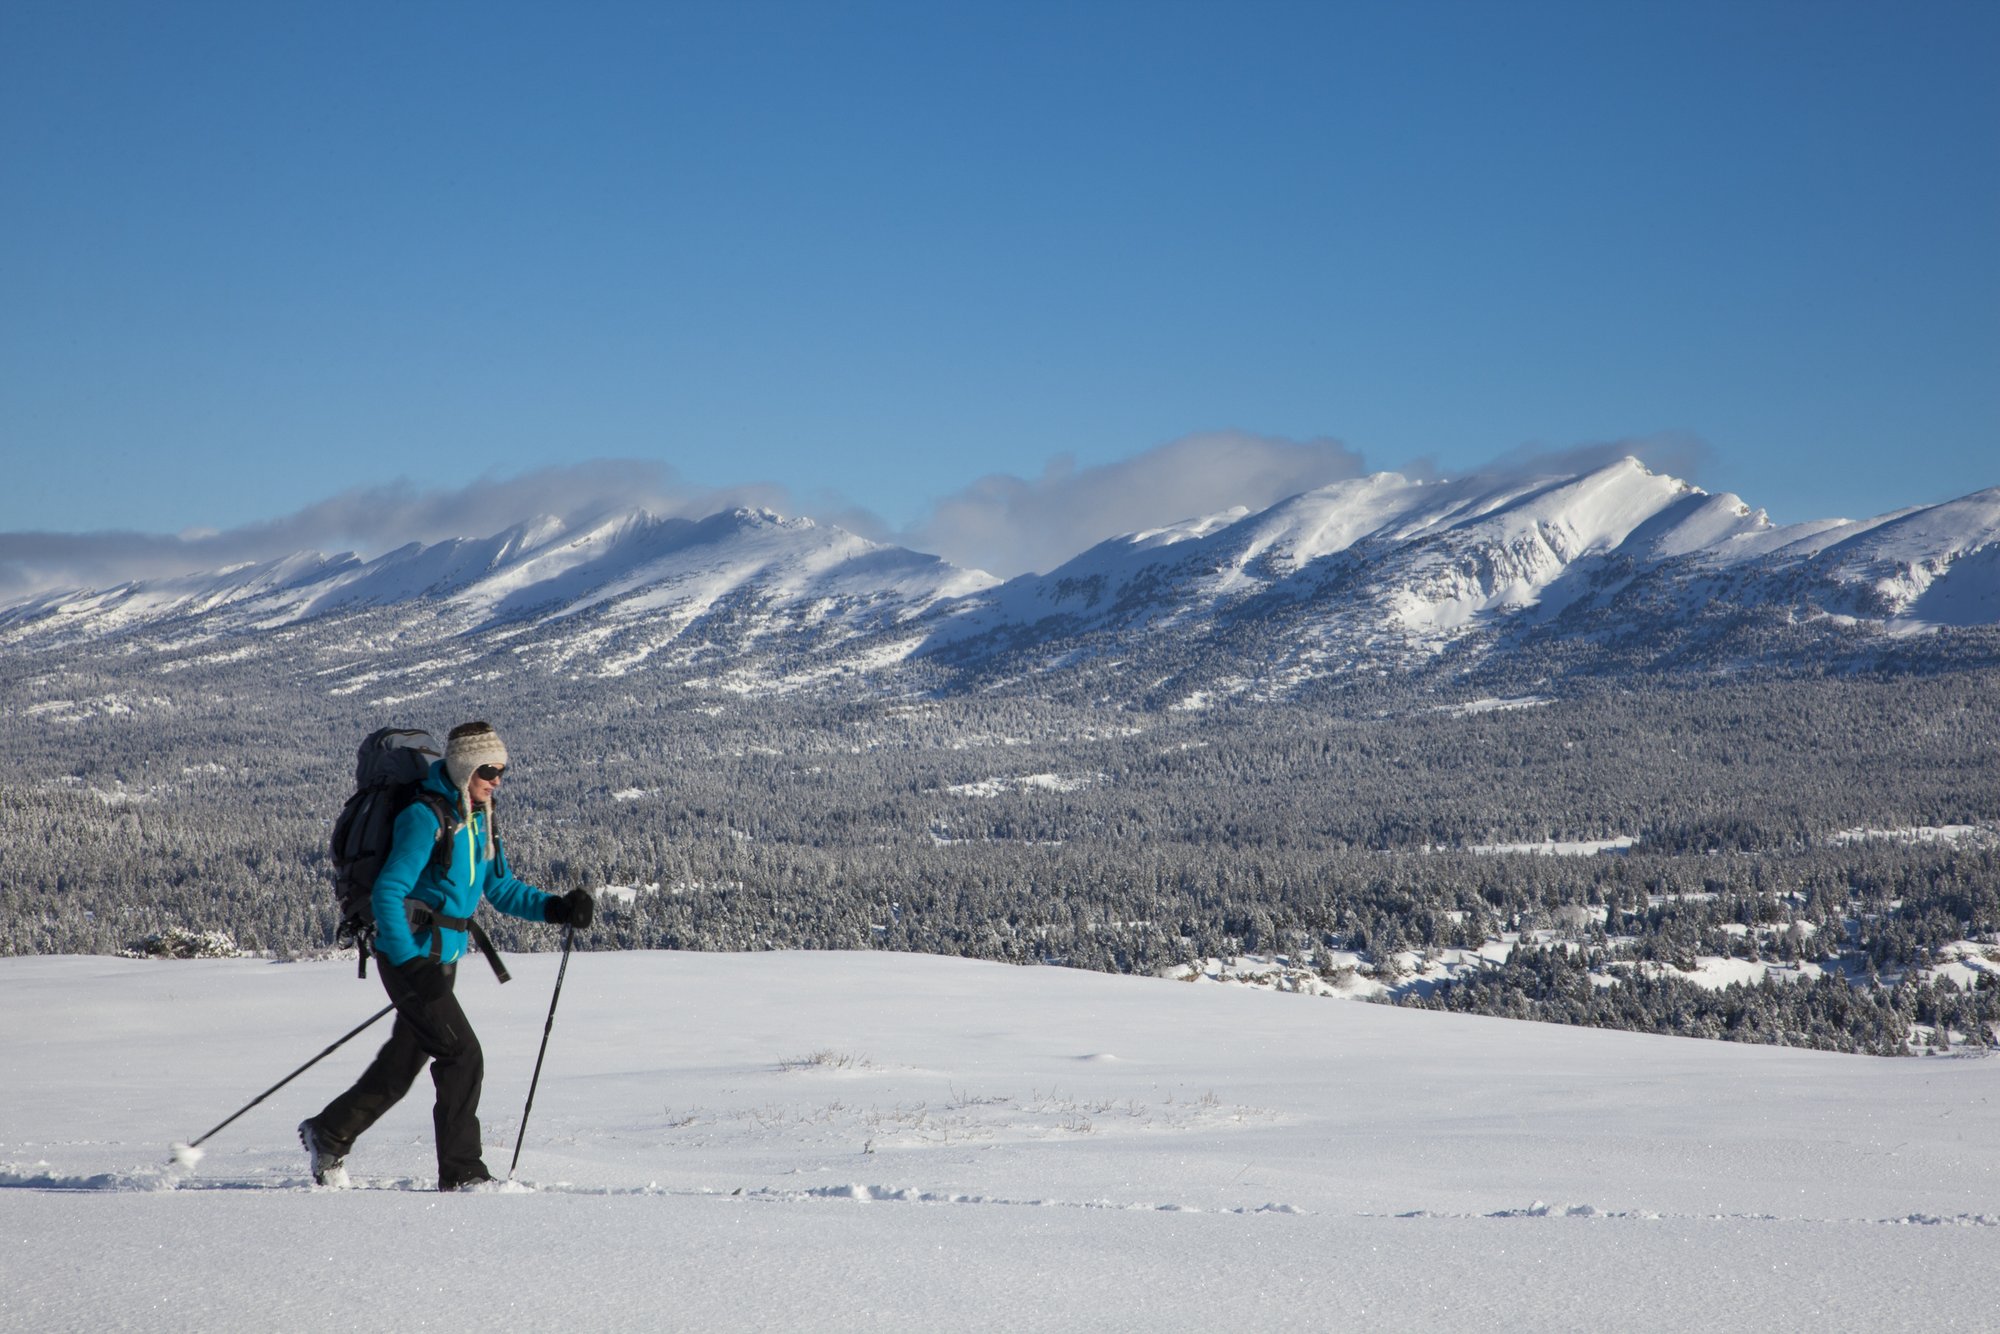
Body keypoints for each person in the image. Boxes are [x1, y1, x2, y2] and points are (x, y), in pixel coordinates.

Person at [299, 720, 593, 1191]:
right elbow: (389, 894)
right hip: (409, 958)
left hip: (441, 959)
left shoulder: (478, 815)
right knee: (462, 1055)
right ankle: (463, 1174)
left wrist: (555, 907)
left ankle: (329, 1132)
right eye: (488, 770)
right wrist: (412, 965)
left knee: (403, 1061)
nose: (496, 779)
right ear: (462, 768)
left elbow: (501, 888)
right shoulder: (423, 817)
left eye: (502, 770)